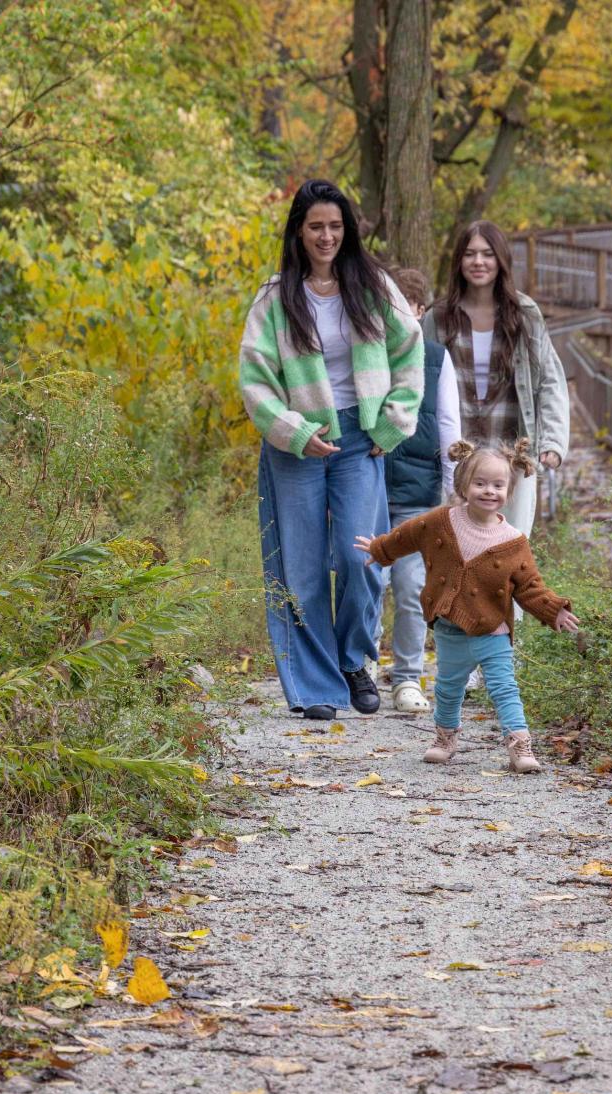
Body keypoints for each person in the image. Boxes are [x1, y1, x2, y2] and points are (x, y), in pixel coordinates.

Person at [241, 179, 425, 721]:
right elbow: (255, 380)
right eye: (316, 226)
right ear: (299, 231)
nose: (326, 236)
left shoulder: (374, 288)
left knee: (360, 557)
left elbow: (410, 352)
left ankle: (352, 661)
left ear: (348, 231)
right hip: (297, 444)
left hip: (361, 440)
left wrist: (390, 426)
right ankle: (316, 686)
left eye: (336, 226)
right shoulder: (275, 299)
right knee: (299, 570)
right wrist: (295, 431)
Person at [354, 441, 581, 774]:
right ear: (462, 485)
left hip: (493, 630)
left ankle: (520, 745)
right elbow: (408, 535)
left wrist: (554, 609)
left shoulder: (513, 541)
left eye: (498, 485)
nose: (489, 491)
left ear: (509, 490)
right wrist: (381, 548)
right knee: (448, 687)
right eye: (480, 483)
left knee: (504, 687)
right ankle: (445, 738)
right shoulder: (441, 521)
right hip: (450, 628)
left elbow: (531, 587)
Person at [427, 220, 571, 536]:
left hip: (513, 457)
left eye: (487, 254)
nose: (478, 262)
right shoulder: (437, 319)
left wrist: (553, 443)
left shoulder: (524, 314)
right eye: (470, 254)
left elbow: (550, 379)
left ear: (501, 260)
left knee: (507, 552)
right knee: (455, 551)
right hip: (456, 459)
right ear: (459, 261)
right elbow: (419, 385)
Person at [377, 266, 461, 715]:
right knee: (366, 581)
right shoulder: (365, 353)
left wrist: (452, 491)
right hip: (368, 489)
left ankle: (407, 676)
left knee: (411, 587)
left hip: (417, 494)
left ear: (420, 310)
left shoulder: (435, 357)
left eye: (403, 308)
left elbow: (448, 423)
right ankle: (361, 665)